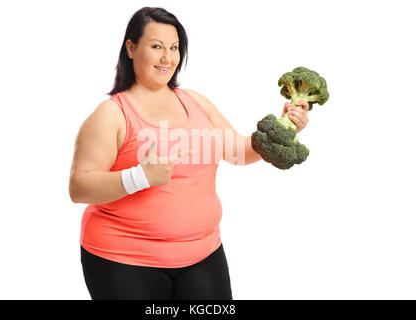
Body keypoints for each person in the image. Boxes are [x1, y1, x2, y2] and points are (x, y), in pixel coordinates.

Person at [68, 7, 309, 300]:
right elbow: (79, 187)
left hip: (203, 255)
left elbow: (239, 152)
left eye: (174, 48)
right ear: (131, 48)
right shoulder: (112, 114)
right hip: (124, 259)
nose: (167, 58)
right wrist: (140, 176)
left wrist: (285, 128)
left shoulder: (196, 102)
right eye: (156, 46)